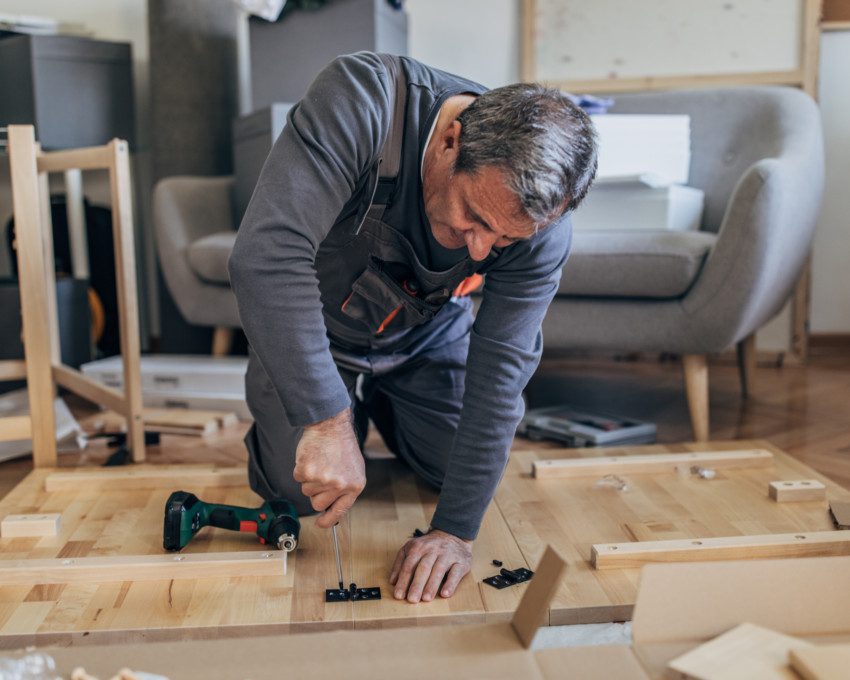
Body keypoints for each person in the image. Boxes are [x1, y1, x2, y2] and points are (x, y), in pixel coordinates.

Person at [228, 51, 598, 604]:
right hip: (316, 332)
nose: (479, 249)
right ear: (451, 139)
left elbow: (502, 373)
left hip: (424, 340)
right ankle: (335, 403)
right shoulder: (362, 102)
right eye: (474, 215)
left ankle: (377, 406)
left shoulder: (541, 227)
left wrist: (456, 531)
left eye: (501, 241)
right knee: (296, 490)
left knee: (460, 474)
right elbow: (265, 254)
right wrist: (326, 422)